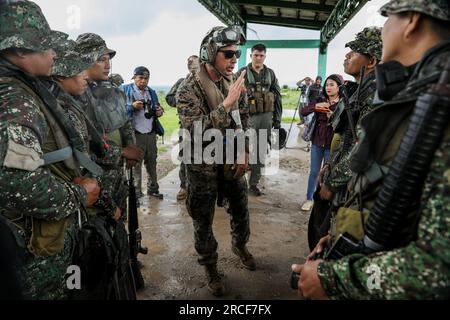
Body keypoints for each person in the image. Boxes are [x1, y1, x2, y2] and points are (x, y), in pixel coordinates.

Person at [293, 0, 450, 299]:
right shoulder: (416, 94)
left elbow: (438, 267)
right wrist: (342, 236)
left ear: (413, 21)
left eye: (388, 19)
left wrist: (335, 278)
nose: (384, 31)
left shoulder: (436, 104)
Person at [0, 1, 100, 299]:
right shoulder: (14, 100)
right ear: (19, 50)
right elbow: (19, 182)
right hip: (30, 255)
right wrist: (80, 195)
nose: (54, 54)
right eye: (45, 45)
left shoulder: (21, 89)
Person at [176, 25, 255, 297]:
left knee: (241, 208)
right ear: (211, 53)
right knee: (202, 217)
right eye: (228, 54)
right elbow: (197, 132)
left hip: (231, 158)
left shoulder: (231, 81)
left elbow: (243, 118)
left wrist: (245, 149)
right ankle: (210, 266)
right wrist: (226, 104)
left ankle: (240, 245)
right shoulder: (189, 89)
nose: (235, 60)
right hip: (202, 164)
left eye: (237, 54)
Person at [308, 27, 382, 248]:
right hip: (344, 175)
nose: (346, 56)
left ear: (371, 61)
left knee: (343, 239)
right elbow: (346, 138)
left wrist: (333, 181)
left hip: (357, 185)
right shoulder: (357, 91)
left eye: (354, 52)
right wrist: (330, 165)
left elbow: (364, 147)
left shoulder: (376, 95)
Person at [236, 43, 283, 196]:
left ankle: (253, 183)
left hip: (266, 117)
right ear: (251, 56)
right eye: (256, 55)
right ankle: (236, 181)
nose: (258, 58)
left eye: (261, 55)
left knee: (260, 151)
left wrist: (277, 120)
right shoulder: (242, 72)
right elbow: (233, 95)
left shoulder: (270, 73)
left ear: (265, 56)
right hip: (247, 117)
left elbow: (277, 97)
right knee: (242, 149)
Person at [300, 74, 344, 211]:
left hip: (333, 144)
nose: (328, 87)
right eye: (327, 85)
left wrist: (333, 117)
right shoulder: (320, 99)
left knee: (328, 173)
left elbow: (346, 125)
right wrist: (316, 107)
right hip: (317, 142)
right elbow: (303, 111)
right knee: (314, 172)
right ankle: (309, 199)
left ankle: (325, 201)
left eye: (332, 85)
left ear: (339, 87)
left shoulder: (343, 103)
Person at [123, 66, 165, 199]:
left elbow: (158, 108)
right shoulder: (125, 90)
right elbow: (117, 109)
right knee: (135, 164)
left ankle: (153, 189)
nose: (143, 81)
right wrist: (132, 106)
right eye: (140, 78)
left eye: (146, 78)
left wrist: (159, 112)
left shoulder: (151, 92)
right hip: (134, 134)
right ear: (134, 78)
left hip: (150, 133)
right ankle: (136, 192)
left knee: (152, 161)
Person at [165, 55, 200, 201]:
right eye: (192, 67)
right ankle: (184, 186)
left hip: (206, 126)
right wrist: (183, 102)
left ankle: (201, 188)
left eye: (197, 67)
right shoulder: (182, 82)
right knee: (186, 157)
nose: (194, 69)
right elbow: (169, 98)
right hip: (186, 127)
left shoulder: (206, 82)